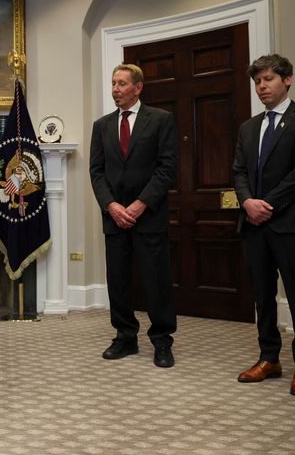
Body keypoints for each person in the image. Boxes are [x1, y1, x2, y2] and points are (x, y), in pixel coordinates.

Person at [232, 54, 295, 396]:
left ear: (287, 80)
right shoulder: (248, 127)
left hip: (291, 223)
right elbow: (239, 171)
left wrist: (266, 204)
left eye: (268, 79)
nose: (262, 87)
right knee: (263, 295)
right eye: (257, 81)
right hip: (253, 223)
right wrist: (247, 202)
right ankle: (269, 358)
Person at [89, 63, 178, 368]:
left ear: (138, 87)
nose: (116, 89)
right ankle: (125, 336)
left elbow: (167, 169)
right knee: (118, 281)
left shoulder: (161, 120)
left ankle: (162, 341)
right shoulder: (101, 126)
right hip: (114, 218)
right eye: (113, 83)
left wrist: (140, 204)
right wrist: (111, 206)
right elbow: (96, 172)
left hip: (148, 216)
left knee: (156, 280)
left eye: (122, 84)